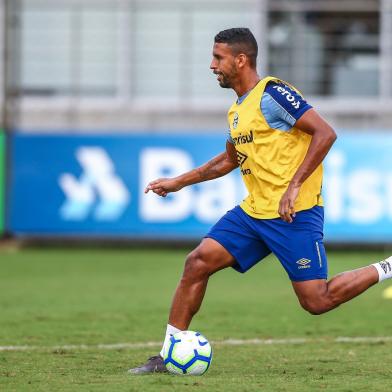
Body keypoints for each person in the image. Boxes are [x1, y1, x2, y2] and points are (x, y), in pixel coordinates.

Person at [129, 27, 392, 374]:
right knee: (197, 263)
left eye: (218, 57)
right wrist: (178, 182)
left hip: (293, 215)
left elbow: (325, 132)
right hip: (254, 213)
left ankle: (388, 267)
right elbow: (228, 159)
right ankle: (167, 354)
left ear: (240, 60)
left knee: (317, 300)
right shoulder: (237, 110)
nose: (212, 65)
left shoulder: (273, 94)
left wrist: (295, 185)